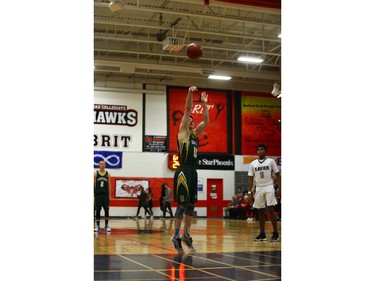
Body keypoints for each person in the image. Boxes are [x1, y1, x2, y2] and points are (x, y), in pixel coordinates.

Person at [170, 86, 209, 253]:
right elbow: (187, 109)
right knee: (182, 204)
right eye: (189, 119)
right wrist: (190, 93)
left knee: (191, 205)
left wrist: (205, 104)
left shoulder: (194, 134)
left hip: (193, 171)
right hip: (183, 171)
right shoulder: (183, 133)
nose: (191, 120)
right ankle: (176, 236)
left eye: (193, 119)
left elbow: (206, 122)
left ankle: (186, 235)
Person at [247, 144, 281, 242]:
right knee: (260, 211)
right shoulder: (253, 163)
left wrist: (280, 189)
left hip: (269, 186)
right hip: (258, 188)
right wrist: (249, 192)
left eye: (262, 149)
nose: (260, 151)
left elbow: (278, 176)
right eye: (258, 150)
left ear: (265, 151)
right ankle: (262, 234)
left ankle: (275, 233)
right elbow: (250, 179)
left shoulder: (271, 161)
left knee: (271, 209)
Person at [94, 160, 111, 233]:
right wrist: (94, 195)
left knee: (106, 210)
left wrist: (109, 195)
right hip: (98, 195)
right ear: (98, 165)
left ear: (105, 165)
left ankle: (106, 225)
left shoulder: (108, 173)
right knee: (97, 210)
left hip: (105, 195)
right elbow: (94, 185)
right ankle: (97, 226)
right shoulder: (96, 173)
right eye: (101, 164)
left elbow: (109, 185)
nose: (102, 165)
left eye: (104, 164)